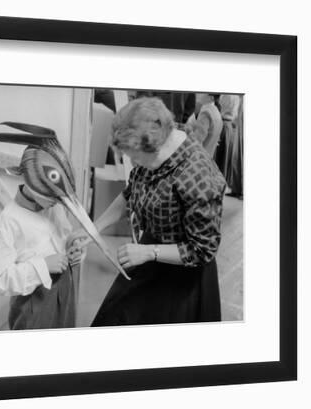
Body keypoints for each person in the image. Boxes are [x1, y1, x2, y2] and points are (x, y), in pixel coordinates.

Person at [74, 97, 226, 325]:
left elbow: (202, 250)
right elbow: (130, 194)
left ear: (155, 146)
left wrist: (149, 252)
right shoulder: (156, 155)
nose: (133, 164)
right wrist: (92, 230)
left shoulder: (197, 176)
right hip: (150, 256)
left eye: (135, 158)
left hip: (182, 279)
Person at [0, 182, 85, 330]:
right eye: (52, 196)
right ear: (32, 182)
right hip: (33, 303)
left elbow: (64, 234)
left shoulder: (54, 204)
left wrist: (72, 246)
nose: (57, 201)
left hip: (65, 291)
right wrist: (43, 266)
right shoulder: (8, 221)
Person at [216, 94, 243, 197]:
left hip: (224, 125)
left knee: (221, 158)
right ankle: (222, 185)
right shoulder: (235, 97)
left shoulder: (227, 95)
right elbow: (235, 115)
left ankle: (219, 186)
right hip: (229, 126)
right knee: (226, 158)